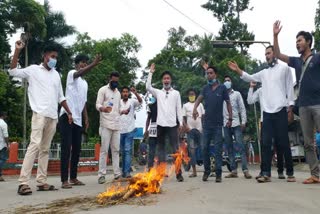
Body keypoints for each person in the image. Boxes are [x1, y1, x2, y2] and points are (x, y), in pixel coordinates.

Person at [9, 40, 73, 195]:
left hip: (53, 116)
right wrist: (17, 51)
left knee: (45, 150)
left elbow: (61, 97)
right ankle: (23, 182)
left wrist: (69, 112)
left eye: (56, 57)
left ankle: (41, 181)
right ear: (45, 56)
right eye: (52, 56)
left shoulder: (56, 75)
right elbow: (12, 71)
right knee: (34, 146)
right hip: (39, 114)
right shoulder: (33, 70)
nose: (54, 59)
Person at [227, 45, 296, 183]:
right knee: (265, 144)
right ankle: (266, 173)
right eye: (265, 54)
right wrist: (238, 70)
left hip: (281, 110)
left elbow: (290, 88)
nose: (267, 56)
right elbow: (249, 77)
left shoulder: (285, 69)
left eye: (269, 53)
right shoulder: (264, 73)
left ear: (275, 54)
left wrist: (291, 108)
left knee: (283, 143)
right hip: (267, 114)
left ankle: (290, 173)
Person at [273, 20, 320, 184]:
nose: (297, 43)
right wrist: (275, 35)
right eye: (296, 41)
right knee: (308, 143)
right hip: (304, 106)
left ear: (308, 42)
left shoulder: (318, 58)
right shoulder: (297, 61)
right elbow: (278, 55)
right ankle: (315, 175)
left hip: (318, 103)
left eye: (299, 40)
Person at [59, 54, 102, 189]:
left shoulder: (85, 83)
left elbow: (83, 102)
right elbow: (80, 73)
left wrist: (86, 117)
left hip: (78, 119)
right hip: (67, 116)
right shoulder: (72, 74)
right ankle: (64, 180)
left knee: (77, 149)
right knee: (66, 148)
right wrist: (94, 65)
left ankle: (73, 177)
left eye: (85, 62)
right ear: (77, 64)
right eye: (82, 62)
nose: (83, 64)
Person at [192, 66, 232, 183]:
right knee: (204, 148)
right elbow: (199, 99)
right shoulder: (205, 88)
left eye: (211, 73)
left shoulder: (222, 88)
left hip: (218, 125)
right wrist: (195, 108)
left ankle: (218, 173)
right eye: (207, 73)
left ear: (215, 75)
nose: (208, 75)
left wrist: (230, 118)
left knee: (218, 149)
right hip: (207, 125)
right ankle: (207, 170)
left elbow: (228, 103)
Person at [146, 63, 184, 182]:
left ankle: (179, 173)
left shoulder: (176, 93)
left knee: (175, 150)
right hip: (160, 125)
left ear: (170, 80)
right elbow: (148, 87)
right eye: (164, 78)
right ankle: (161, 172)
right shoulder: (158, 92)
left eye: (168, 78)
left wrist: (181, 123)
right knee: (160, 150)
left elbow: (179, 108)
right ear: (162, 80)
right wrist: (151, 72)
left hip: (172, 125)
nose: (166, 80)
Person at [247, 82, 286, 179]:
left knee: (279, 145)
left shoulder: (276, 88)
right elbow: (250, 101)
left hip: (277, 120)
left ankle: (280, 170)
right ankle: (264, 171)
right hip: (265, 121)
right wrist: (251, 87)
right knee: (265, 146)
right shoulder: (260, 91)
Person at [96, 71, 123, 184]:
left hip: (116, 125)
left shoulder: (118, 93)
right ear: (109, 79)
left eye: (117, 81)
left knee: (116, 150)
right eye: (113, 81)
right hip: (106, 124)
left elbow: (119, 108)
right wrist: (103, 109)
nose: (115, 83)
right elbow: (97, 104)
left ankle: (117, 174)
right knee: (104, 150)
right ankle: (101, 175)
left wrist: (124, 111)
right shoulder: (103, 90)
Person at [223, 75, 252, 179]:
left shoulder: (237, 94)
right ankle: (233, 171)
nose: (227, 82)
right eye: (225, 81)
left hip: (236, 124)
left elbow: (242, 108)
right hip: (225, 125)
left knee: (241, 147)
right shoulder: (222, 95)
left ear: (231, 82)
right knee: (229, 148)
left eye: (228, 80)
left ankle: (245, 170)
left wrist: (243, 122)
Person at [119, 86, 142, 178]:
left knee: (128, 151)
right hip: (119, 130)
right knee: (122, 152)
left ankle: (127, 172)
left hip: (129, 130)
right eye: (123, 92)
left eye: (126, 92)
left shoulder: (132, 101)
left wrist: (135, 93)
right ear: (121, 93)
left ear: (128, 93)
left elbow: (140, 102)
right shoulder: (118, 102)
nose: (125, 93)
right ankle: (123, 172)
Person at [182, 88, 205, 178]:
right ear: (188, 96)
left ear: (195, 95)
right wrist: (186, 127)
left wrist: (203, 127)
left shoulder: (200, 105)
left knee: (203, 148)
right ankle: (194, 171)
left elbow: (203, 116)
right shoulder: (185, 105)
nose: (192, 96)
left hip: (199, 130)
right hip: (190, 130)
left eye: (193, 94)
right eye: (190, 94)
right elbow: (183, 118)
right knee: (191, 150)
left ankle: (207, 169)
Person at [144, 94, 158, 170]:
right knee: (152, 150)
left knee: (160, 149)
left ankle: (160, 168)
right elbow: (148, 118)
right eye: (152, 96)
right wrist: (146, 129)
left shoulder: (162, 105)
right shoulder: (150, 106)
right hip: (153, 128)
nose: (153, 97)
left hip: (161, 128)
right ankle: (150, 167)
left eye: (154, 96)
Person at [0, 112, 9, 182]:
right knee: (3, 159)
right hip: (1, 144)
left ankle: (0, 177)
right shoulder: (3, 124)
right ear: (3, 116)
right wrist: (7, 144)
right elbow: (6, 136)